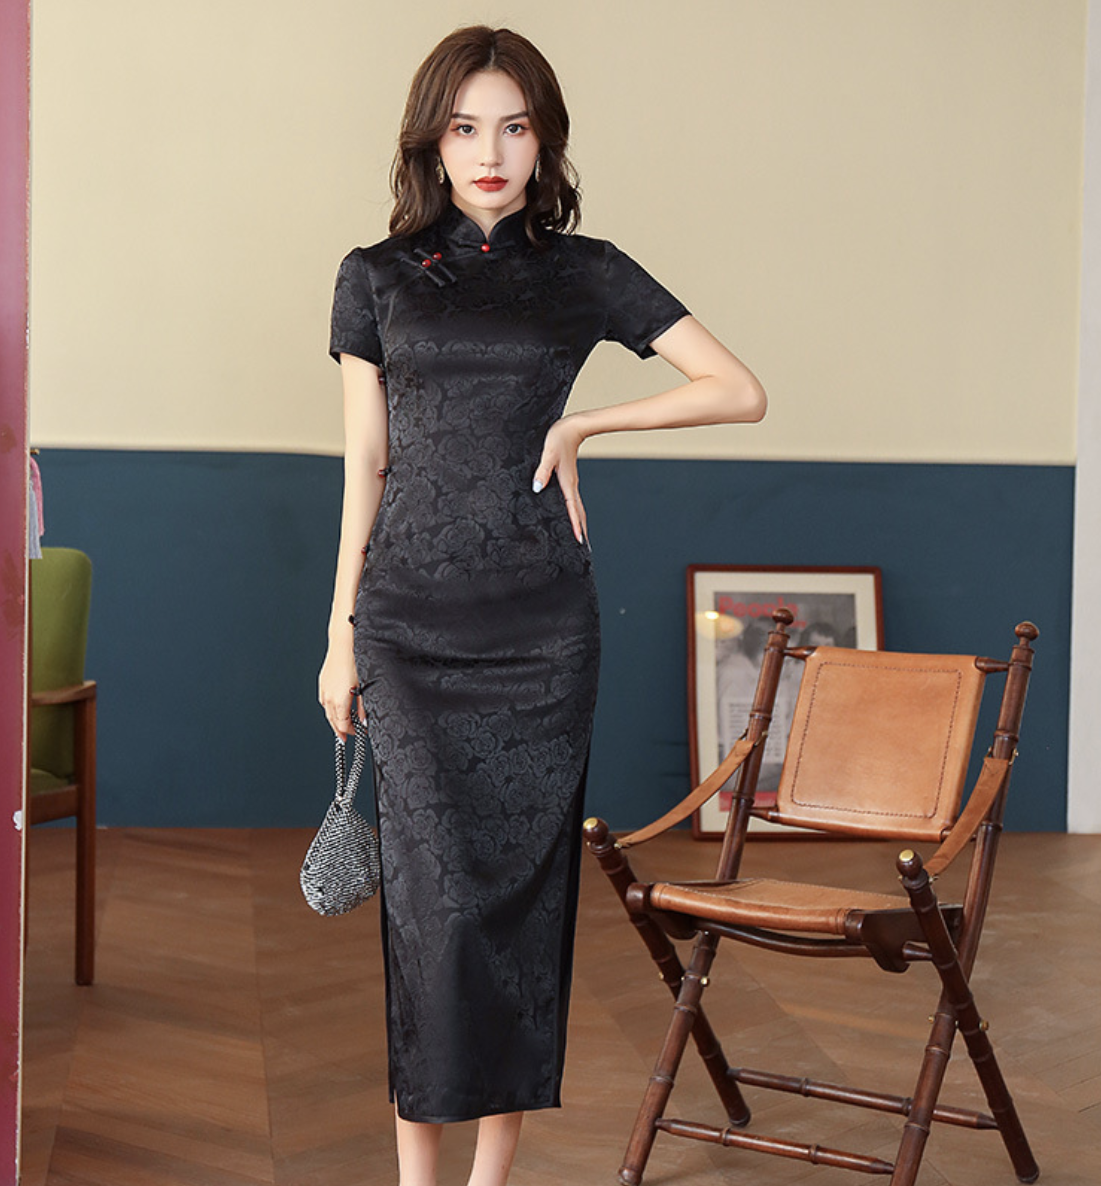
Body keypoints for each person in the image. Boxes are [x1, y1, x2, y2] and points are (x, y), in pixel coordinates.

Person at [318, 26, 766, 1186]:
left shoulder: (585, 271)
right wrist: (338, 635)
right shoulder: (375, 276)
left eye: (514, 127)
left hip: (540, 634)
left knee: (519, 902)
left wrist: (583, 425)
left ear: (543, 140)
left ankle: (488, 1179)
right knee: (428, 908)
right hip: (407, 626)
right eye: (466, 127)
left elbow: (738, 389)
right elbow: (365, 462)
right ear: (431, 140)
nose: (490, 151)